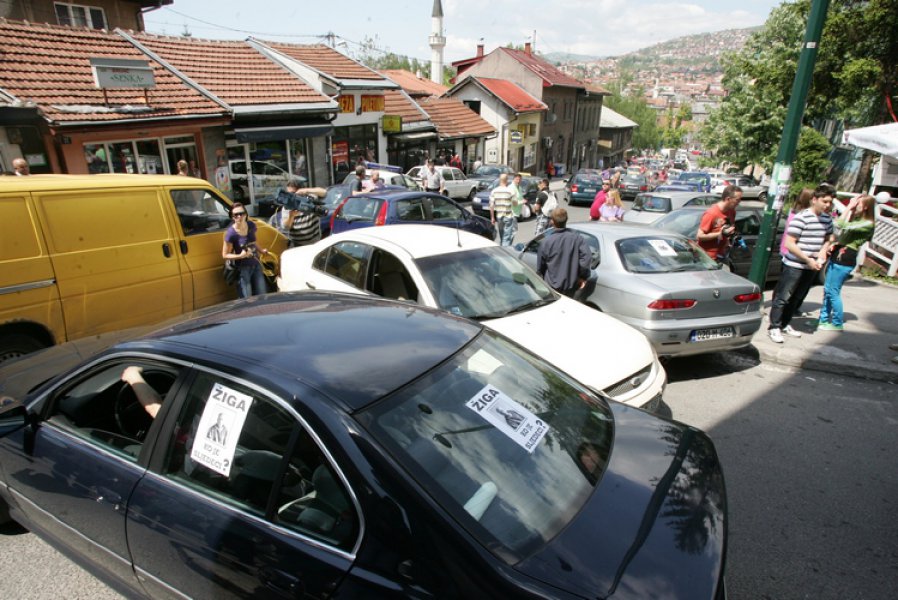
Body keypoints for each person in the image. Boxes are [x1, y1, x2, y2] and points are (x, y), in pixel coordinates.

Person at [768, 183, 836, 344]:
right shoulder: (801, 218)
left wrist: (823, 251)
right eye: (825, 201)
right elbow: (790, 243)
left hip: (812, 265)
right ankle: (774, 326)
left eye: (830, 202)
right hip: (795, 265)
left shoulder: (827, 219)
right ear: (814, 200)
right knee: (783, 296)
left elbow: (829, 238)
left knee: (797, 297)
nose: (827, 205)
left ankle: (785, 323)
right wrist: (807, 259)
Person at [818, 194, 876, 331]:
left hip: (846, 258)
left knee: (833, 291)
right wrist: (836, 244)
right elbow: (843, 234)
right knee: (827, 289)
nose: (855, 205)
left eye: (858, 203)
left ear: (866, 207)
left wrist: (849, 207)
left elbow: (839, 224)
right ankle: (823, 320)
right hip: (838, 254)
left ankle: (837, 323)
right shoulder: (857, 219)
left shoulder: (868, 223)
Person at [537, 207, 591, 299]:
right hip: (571, 286)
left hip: (551, 286)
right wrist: (583, 276)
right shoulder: (577, 238)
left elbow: (540, 267)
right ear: (566, 220)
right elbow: (586, 258)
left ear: (552, 222)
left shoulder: (546, 242)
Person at [222, 202, 269, 298]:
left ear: (246, 214)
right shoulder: (231, 233)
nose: (239, 217)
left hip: (256, 264)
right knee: (247, 299)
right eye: (236, 215)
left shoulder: (251, 225)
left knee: (262, 294)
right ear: (232, 217)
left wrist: (261, 250)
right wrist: (240, 256)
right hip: (243, 269)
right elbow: (225, 254)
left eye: (241, 213)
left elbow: (253, 241)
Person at [270, 178, 327, 248]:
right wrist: (291, 216)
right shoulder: (287, 207)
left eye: (293, 193)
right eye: (288, 193)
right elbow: (285, 227)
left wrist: (306, 190)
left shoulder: (310, 198)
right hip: (297, 245)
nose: (290, 196)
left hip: (315, 244)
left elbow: (324, 192)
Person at [696, 185, 743, 263]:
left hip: (722, 255)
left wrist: (729, 239)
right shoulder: (711, 214)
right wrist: (719, 234)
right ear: (728, 199)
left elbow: (728, 230)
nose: (739, 202)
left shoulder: (731, 212)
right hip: (708, 259)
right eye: (737, 200)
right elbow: (699, 236)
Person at [489, 172, 518, 246]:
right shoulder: (510, 191)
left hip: (499, 216)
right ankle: (504, 251)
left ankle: (502, 248)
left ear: (500, 180)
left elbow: (491, 205)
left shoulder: (494, 191)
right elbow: (515, 204)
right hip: (508, 216)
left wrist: (492, 218)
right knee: (506, 238)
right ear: (507, 180)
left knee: (502, 237)